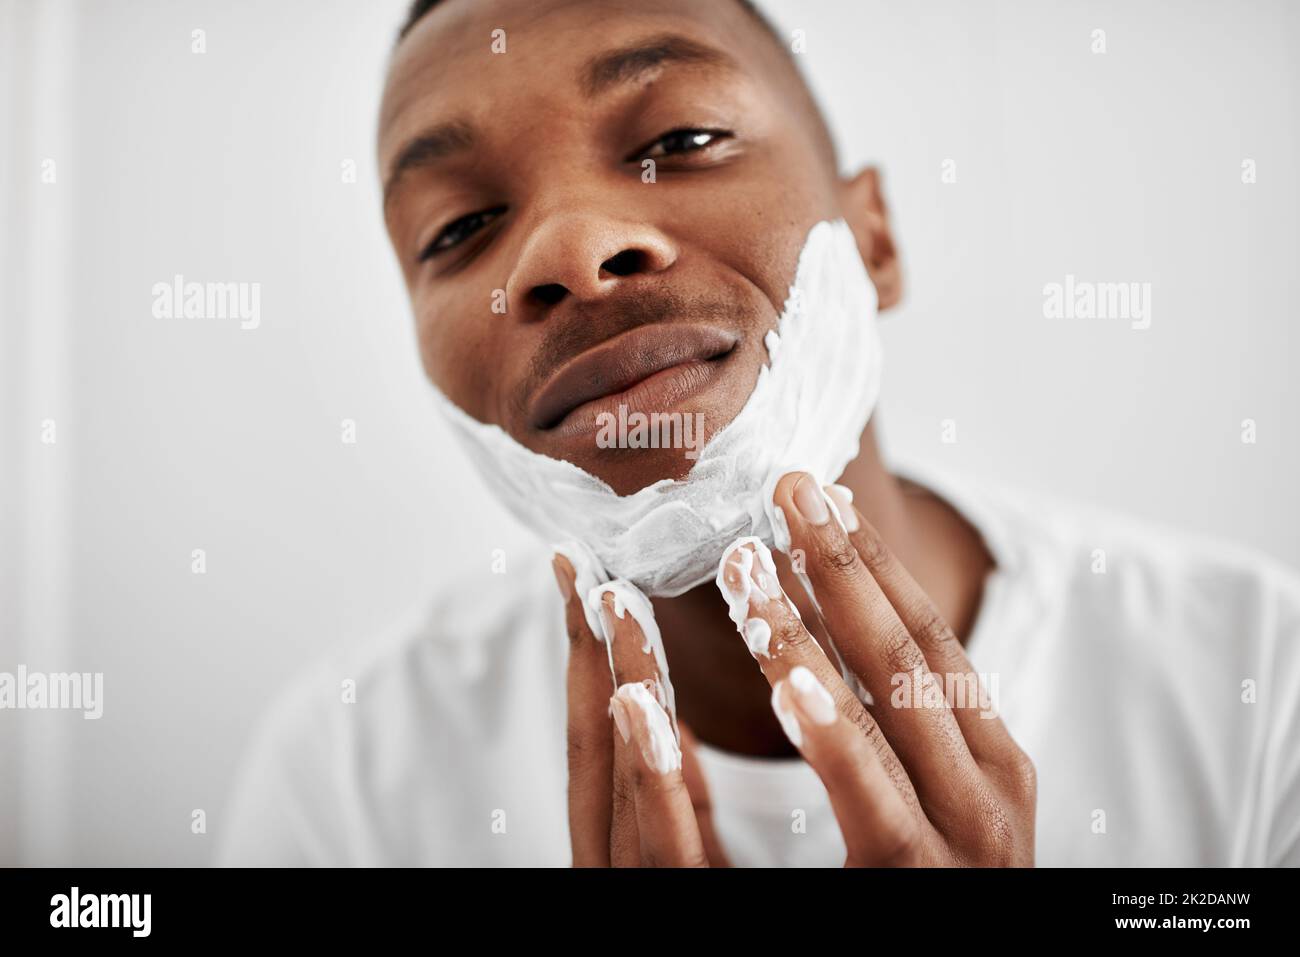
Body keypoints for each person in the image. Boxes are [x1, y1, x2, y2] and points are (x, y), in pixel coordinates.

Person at [216, 0, 1300, 867]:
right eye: (457, 228)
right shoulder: (349, 779)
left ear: (872, 238)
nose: (570, 245)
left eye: (681, 138)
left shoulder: (1261, 687)